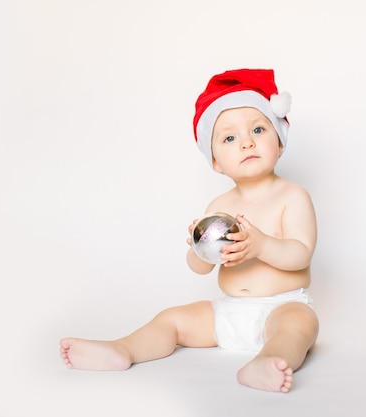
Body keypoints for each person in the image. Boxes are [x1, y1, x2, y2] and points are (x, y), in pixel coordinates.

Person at [60, 69, 319, 393]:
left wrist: (260, 245)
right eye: (229, 138)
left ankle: (268, 361)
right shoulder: (220, 204)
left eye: (257, 129)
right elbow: (200, 267)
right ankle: (123, 349)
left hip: (282, 306)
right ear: (216, 163)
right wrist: (199, 250)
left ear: (279, 142)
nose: (247, 142)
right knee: (172, 319)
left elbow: (301, 254)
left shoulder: (291, 196)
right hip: (227, 311)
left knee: (297, 328)